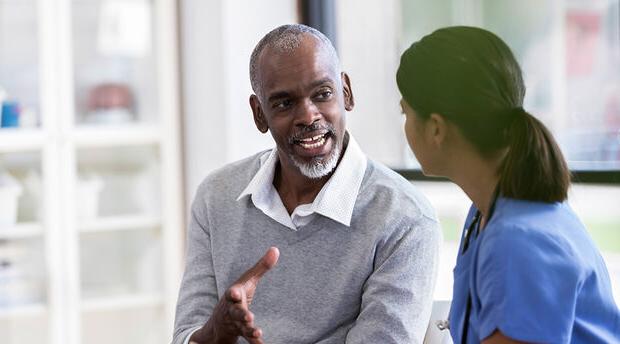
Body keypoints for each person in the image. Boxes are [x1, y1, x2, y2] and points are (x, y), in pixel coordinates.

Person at [172, 24, 442, 344]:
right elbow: (186, 336)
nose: (308, 116)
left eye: (322, 94)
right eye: (284, 103)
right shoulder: (216, 197)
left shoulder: (404, 218)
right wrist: (213, 334)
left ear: (346, 92)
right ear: (259, 115)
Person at [396, 26, 620, 343]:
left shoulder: (520, 242)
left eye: (404, 113)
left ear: (436, 129)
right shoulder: (486, 210)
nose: (404, 126)